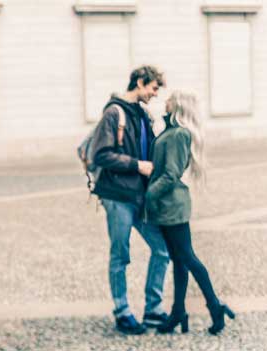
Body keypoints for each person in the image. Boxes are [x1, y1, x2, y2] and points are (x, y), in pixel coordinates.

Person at [89, 65, 171, 334]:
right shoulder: (115, 112)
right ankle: (123, 311)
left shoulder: (143, 114)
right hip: (118, 196)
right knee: (120, 254)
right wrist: (137, 165)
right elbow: (100, 154)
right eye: (153, 88)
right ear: (139, 82)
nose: (155, 94)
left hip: (141, 196)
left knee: (162, 250)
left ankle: (153, 309)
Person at [147, 90, 235, 335]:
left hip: (172, 206)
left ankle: (214, 306)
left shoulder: (178, 135)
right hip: (168, 205)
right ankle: (178, 312)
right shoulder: (171, 131)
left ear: (178, 106)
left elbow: (170, 174)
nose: (165, 100)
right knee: (180, 260)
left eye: (170, 99)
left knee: (187, 257)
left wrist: (148, 195)